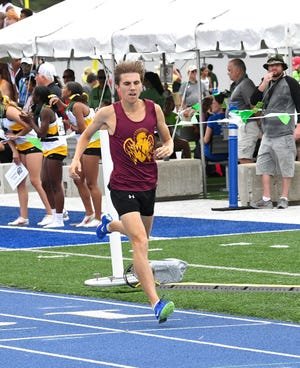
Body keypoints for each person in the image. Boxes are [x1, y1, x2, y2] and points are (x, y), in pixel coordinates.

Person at [69, 60, 175, 323]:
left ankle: (109, 225)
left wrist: (169, 146)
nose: (132, 88)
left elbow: (166, 136)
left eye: (136, 83)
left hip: (148, 184)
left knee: (142, 236)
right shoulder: (108, 113)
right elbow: (85, 135)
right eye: (126, 84)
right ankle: (156, 303)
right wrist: (76, 159)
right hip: (122, 186)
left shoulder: (154, 109)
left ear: (142, 85)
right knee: (140, 242)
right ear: (117, 87)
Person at [250, 54, 300, 209]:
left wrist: (299, 127)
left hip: (284, 132)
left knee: (286, 165)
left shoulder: (291, 82)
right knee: (264, 164)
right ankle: (266, 199)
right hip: (267, 133)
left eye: (276, 65)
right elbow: (253, 101)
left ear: (282, 67)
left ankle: (284, 198)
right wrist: (263, 83)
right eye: (271, 66)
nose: (273, 68)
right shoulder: (266, 82)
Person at [53, 81, 102, 227]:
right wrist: (60, 103)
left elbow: (83, 128)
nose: (62, 89)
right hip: (84, 144)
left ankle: (99, 217)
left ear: (70, 91)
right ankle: (89, 214)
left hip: (92, 144)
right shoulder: (72, 105)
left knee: (91, 183)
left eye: (64, 88)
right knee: (78, 180)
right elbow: (68, 110)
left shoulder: (77, 106)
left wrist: (69, 126)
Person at [0, 92, 52, 226]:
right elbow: (7, 134)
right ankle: (23, 217)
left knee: (35, 180)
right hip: (20, 146)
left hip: (32, 143)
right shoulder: (1, 113)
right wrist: (14, 152)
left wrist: (17, 136)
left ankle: (50, 213)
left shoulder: (10, 111)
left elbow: (29, 125)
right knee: (20, 182)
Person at [24, 86, 68, 227]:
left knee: (55, 183)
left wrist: (30, 121)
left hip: (56, 147)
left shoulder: (46, 111)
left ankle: (59, 218)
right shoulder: (42, 109)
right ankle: (54, 215)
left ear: (39, 96)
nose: (32, 97)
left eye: (34, 94)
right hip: (48, 148)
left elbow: (41, 133)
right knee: (44, 182)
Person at [227, 58, 258, 164]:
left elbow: (255, 107)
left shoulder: (246, 84)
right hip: (240, 127)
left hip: (247, 126)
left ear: (238, 70)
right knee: (241, 157)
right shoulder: (238, 85)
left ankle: (250, 181)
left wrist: (259, 125)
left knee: (244, 158)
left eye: (230, 70)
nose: (228, 73)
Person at [203, 93, 228, 162]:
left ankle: (207, 172)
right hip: (230, 153)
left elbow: (206, 140)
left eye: (213, 103)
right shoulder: (232, 118)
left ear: (220, 105)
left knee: (200, 145)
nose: (211, 105)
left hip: (214, 155)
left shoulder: (212, 119)